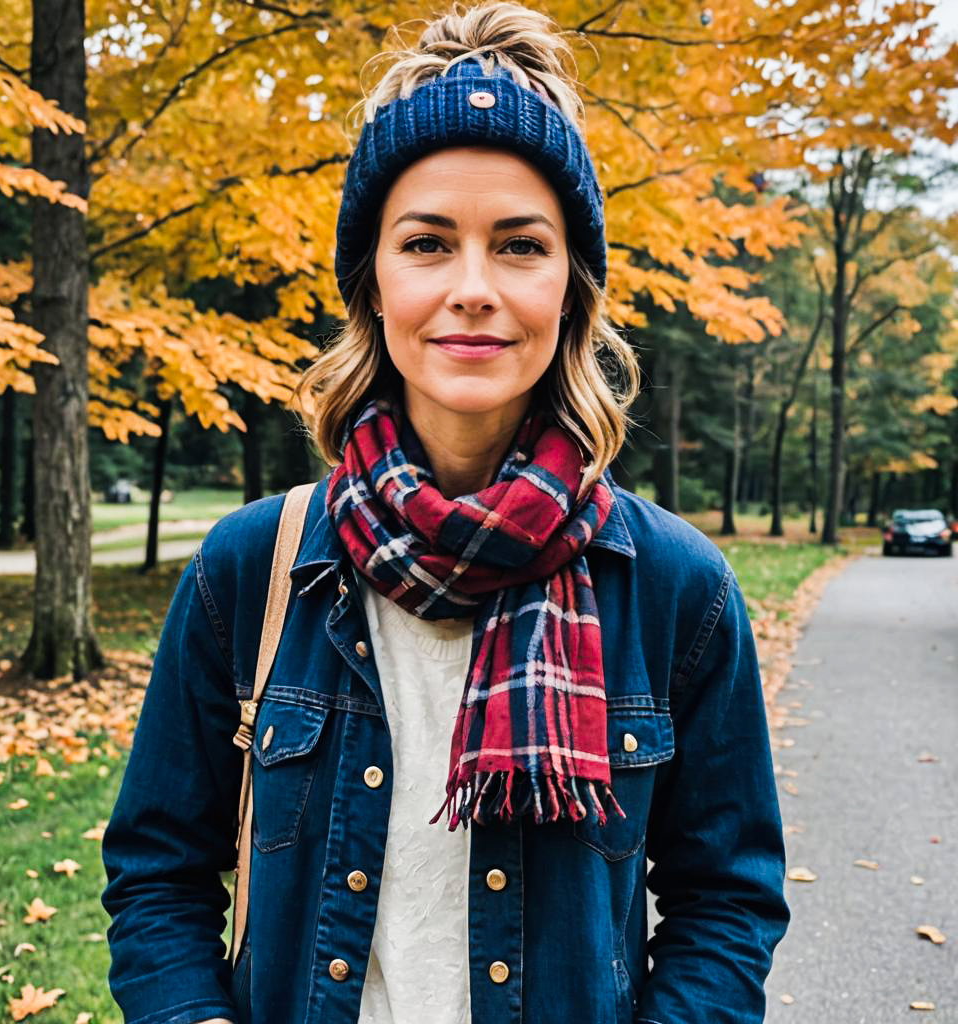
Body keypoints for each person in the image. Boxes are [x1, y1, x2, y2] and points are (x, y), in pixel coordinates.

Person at [100, 4, 789, 1023]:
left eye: (519, 246)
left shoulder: (677, 590)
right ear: (372, 281)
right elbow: (158, 870)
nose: (472, 289)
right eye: (426, 243)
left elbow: (725, 901)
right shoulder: (249, 569)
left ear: (570, 288)